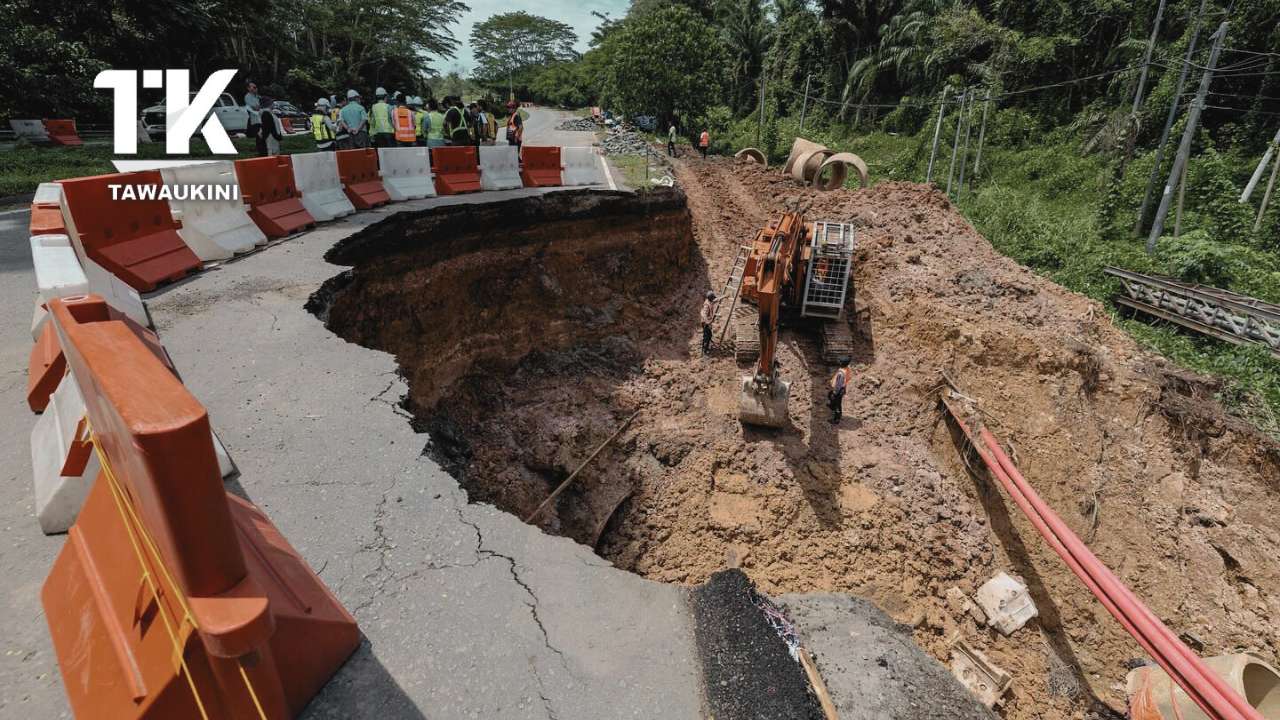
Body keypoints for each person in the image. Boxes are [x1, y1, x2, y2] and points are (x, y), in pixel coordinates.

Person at [828, 357, 853, 424]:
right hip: (843, 388)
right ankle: (832, 405)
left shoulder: (841, 373)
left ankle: (836, 419)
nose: (838, 362)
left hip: (839, 390)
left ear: (842, 363)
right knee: (830, 395)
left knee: (837, 404)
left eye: (840, 361)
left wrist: (835, 392)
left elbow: (838, 385)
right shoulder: (846, 369)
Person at [700, 291, 720, 355]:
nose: (713, 299)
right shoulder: (707, 305)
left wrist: (724, 297)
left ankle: (706, 348)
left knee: (709, 335)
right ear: (710, 298)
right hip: (706, 323)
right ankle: (705, 351)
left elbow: (716, 300)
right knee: (706, 336)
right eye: (713, 298)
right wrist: (707, 322)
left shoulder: (710, 301)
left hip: (708, 322)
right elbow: (703, 314)